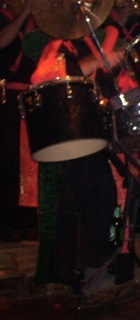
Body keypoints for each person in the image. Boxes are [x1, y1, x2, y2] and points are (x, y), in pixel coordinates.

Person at [23, 19, 126, 289]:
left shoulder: (91, 42)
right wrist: (98, 61)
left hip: (93, 131)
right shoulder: (57, 44)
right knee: (80, 198)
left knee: (106, 198)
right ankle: (75, 268)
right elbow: (45, 77)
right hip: (70, 133)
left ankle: (102, 263)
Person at [0, 0, 38, 241]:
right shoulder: (4, 19)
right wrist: (25, 13)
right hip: (7, 98)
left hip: (32, 96)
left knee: (31, 160)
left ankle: (29, 220)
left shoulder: (38, 24)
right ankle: (7, 222)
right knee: (8, 159)